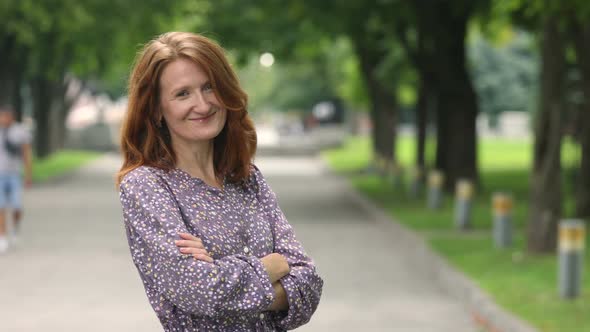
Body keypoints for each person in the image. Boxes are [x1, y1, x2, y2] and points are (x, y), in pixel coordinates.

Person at [116, 32, 323, 331]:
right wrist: (272, 267)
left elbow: (309, 284)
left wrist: (220, 270)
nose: (202, 104)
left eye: (209, 87)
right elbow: (200, 291)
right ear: (157, 110)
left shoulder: (247, 178)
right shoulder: (147, 186)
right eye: (182, 94)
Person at [0, 105, 32, 254]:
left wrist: (28, 175)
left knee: (17, 206)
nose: (3, 119)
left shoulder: (20, 132)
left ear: (12, 117)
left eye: (5, 116)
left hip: (14, 174)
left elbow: (26, 153)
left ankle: (15, 228)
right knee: (1, 207)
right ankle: (3, 237)